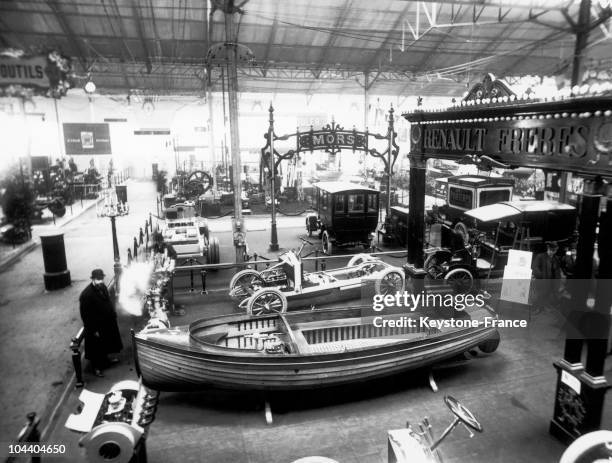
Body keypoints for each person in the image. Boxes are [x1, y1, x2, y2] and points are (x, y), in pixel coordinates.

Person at [79, 269, 123, 377]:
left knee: (105, 344)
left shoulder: (102, 287)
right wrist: (93, 330)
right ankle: (96, 368)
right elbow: (85, 316)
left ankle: (106, 362)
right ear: (93, 279)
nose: (100, 281)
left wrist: (112, 313)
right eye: (98, 279)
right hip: (95, 327)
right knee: (96, 349)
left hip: (105, 323)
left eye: (101, 279)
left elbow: (107, 301)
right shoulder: (86, 295)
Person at [532, 241, 562, 310]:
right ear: (548, 249)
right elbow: (535, 267)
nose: (552, 252)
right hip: (542, 281)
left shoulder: (556, 259)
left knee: (547, 295)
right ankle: (536, 308)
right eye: (551, 250)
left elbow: (557, 270)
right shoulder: (541, 256)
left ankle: (544, 306)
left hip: (552, 281)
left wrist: (558, 281)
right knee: (540, 295)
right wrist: (542, 276)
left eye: (554, 250)